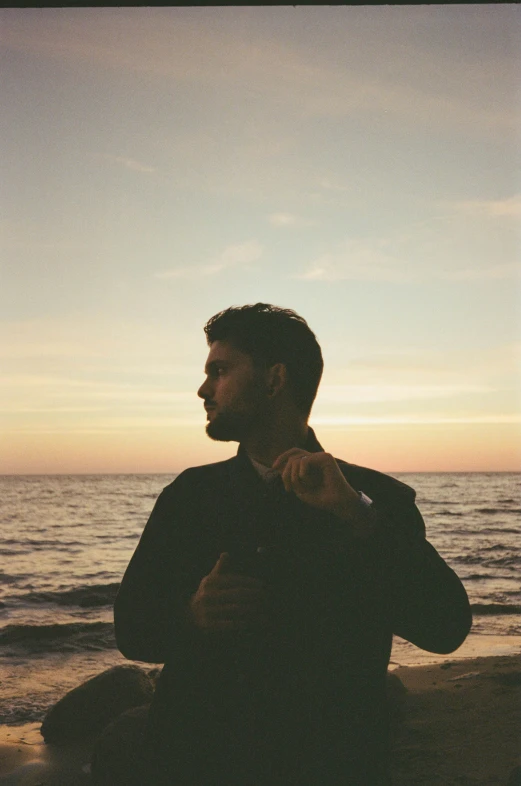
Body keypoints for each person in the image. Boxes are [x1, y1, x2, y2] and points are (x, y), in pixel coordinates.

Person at [114, 303, 472, 785]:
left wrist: (356, 515)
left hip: (330, 767)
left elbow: (445, 626)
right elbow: (130, 631)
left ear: (274, 379)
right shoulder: (189, 496)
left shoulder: (376, 500)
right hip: (197, 763)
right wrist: (191, 615)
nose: (203, 389)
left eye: (219, 371)